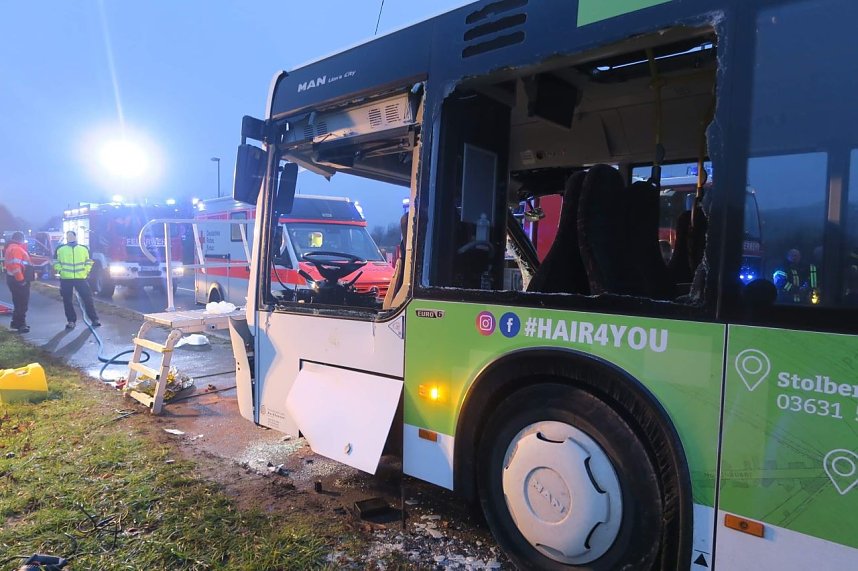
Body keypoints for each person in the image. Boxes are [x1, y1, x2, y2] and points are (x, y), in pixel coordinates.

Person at [53, 230, 100, 329]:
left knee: (87, 298)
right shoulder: (60, 249)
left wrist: (86, 271)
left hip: (80, 278)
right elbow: (55, 262)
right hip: (66, 279)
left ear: (75, 237)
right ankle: (71, 321)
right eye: (68, 236)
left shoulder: (83, 248)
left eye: (71, 235)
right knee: (67, 301)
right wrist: (60, 271)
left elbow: (89, 261)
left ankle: (94, 319)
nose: (69, 237)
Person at [3, 231, 32, 332]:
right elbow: (16, 266)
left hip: (13, 279)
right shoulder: (16, 249)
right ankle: (20, 324)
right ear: (21, 239)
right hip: (18, 280)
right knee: (22, 303)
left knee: (18, 302)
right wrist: (21, 280)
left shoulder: (10, 248)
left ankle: (16, 323)